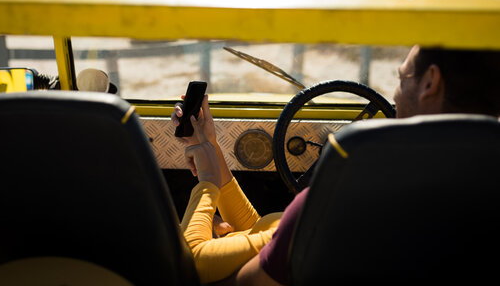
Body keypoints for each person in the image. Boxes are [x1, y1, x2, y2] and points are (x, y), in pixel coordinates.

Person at [177, 45, 500, 285]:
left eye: (402, 79)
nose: (394, 95)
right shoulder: (478, 193)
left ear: (430, 82)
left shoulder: (348, 199)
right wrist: (212, 151)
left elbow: (191, 266)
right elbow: (269, 236)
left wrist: (206, 181)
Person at [174, 95, 283, 284]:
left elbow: (190, 262)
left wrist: (208, 183)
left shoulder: (314, 225)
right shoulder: (321, 214)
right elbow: (254, 232)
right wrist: (208, 145)